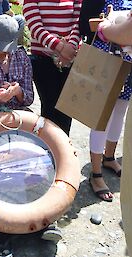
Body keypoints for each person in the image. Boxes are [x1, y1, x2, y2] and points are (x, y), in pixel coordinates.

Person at [0, 14, 57, 257]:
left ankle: (44, 219)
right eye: (1, 47)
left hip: (20, 119)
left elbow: (29, 99)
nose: (5, 53)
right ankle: (2, 232)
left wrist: (17, 92)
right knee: (0, 166)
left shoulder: (21, 58)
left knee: (39, 159)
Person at [79, 0, 132, 202]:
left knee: (120, 110)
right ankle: (96, 173)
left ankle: (109, 158)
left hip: (129, 63)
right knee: (102, 115)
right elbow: (85, 23)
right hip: (106, 60)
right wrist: (104, 27)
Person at [23, 0, 82, 136]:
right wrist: (60, 48)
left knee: (67, 110)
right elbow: (35, 27)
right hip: (43, 60)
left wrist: (70, 48)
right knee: (49, 109)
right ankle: (48, 149)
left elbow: (78, 23)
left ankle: (64, 149)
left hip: (70, 59)